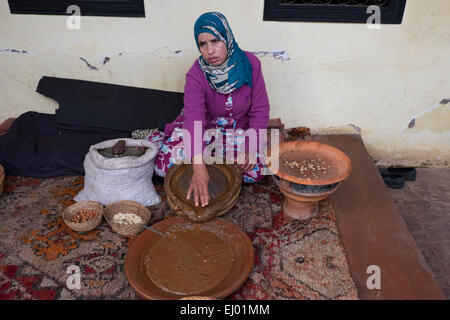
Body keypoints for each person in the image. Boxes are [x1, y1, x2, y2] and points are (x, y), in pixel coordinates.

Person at [148, 12, 270, 208]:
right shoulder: (196, 74)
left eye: (215, 41)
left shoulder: (251, 64)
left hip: (236, 130)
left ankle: (216, 159)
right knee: (163, 168)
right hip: (205, 129)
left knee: (255, 170)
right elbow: (194, 119)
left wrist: (251, 146)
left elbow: (260, 109)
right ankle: (196, 155)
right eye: (203, 44)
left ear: (227, 38)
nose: (210, 51)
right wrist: (198, 165)